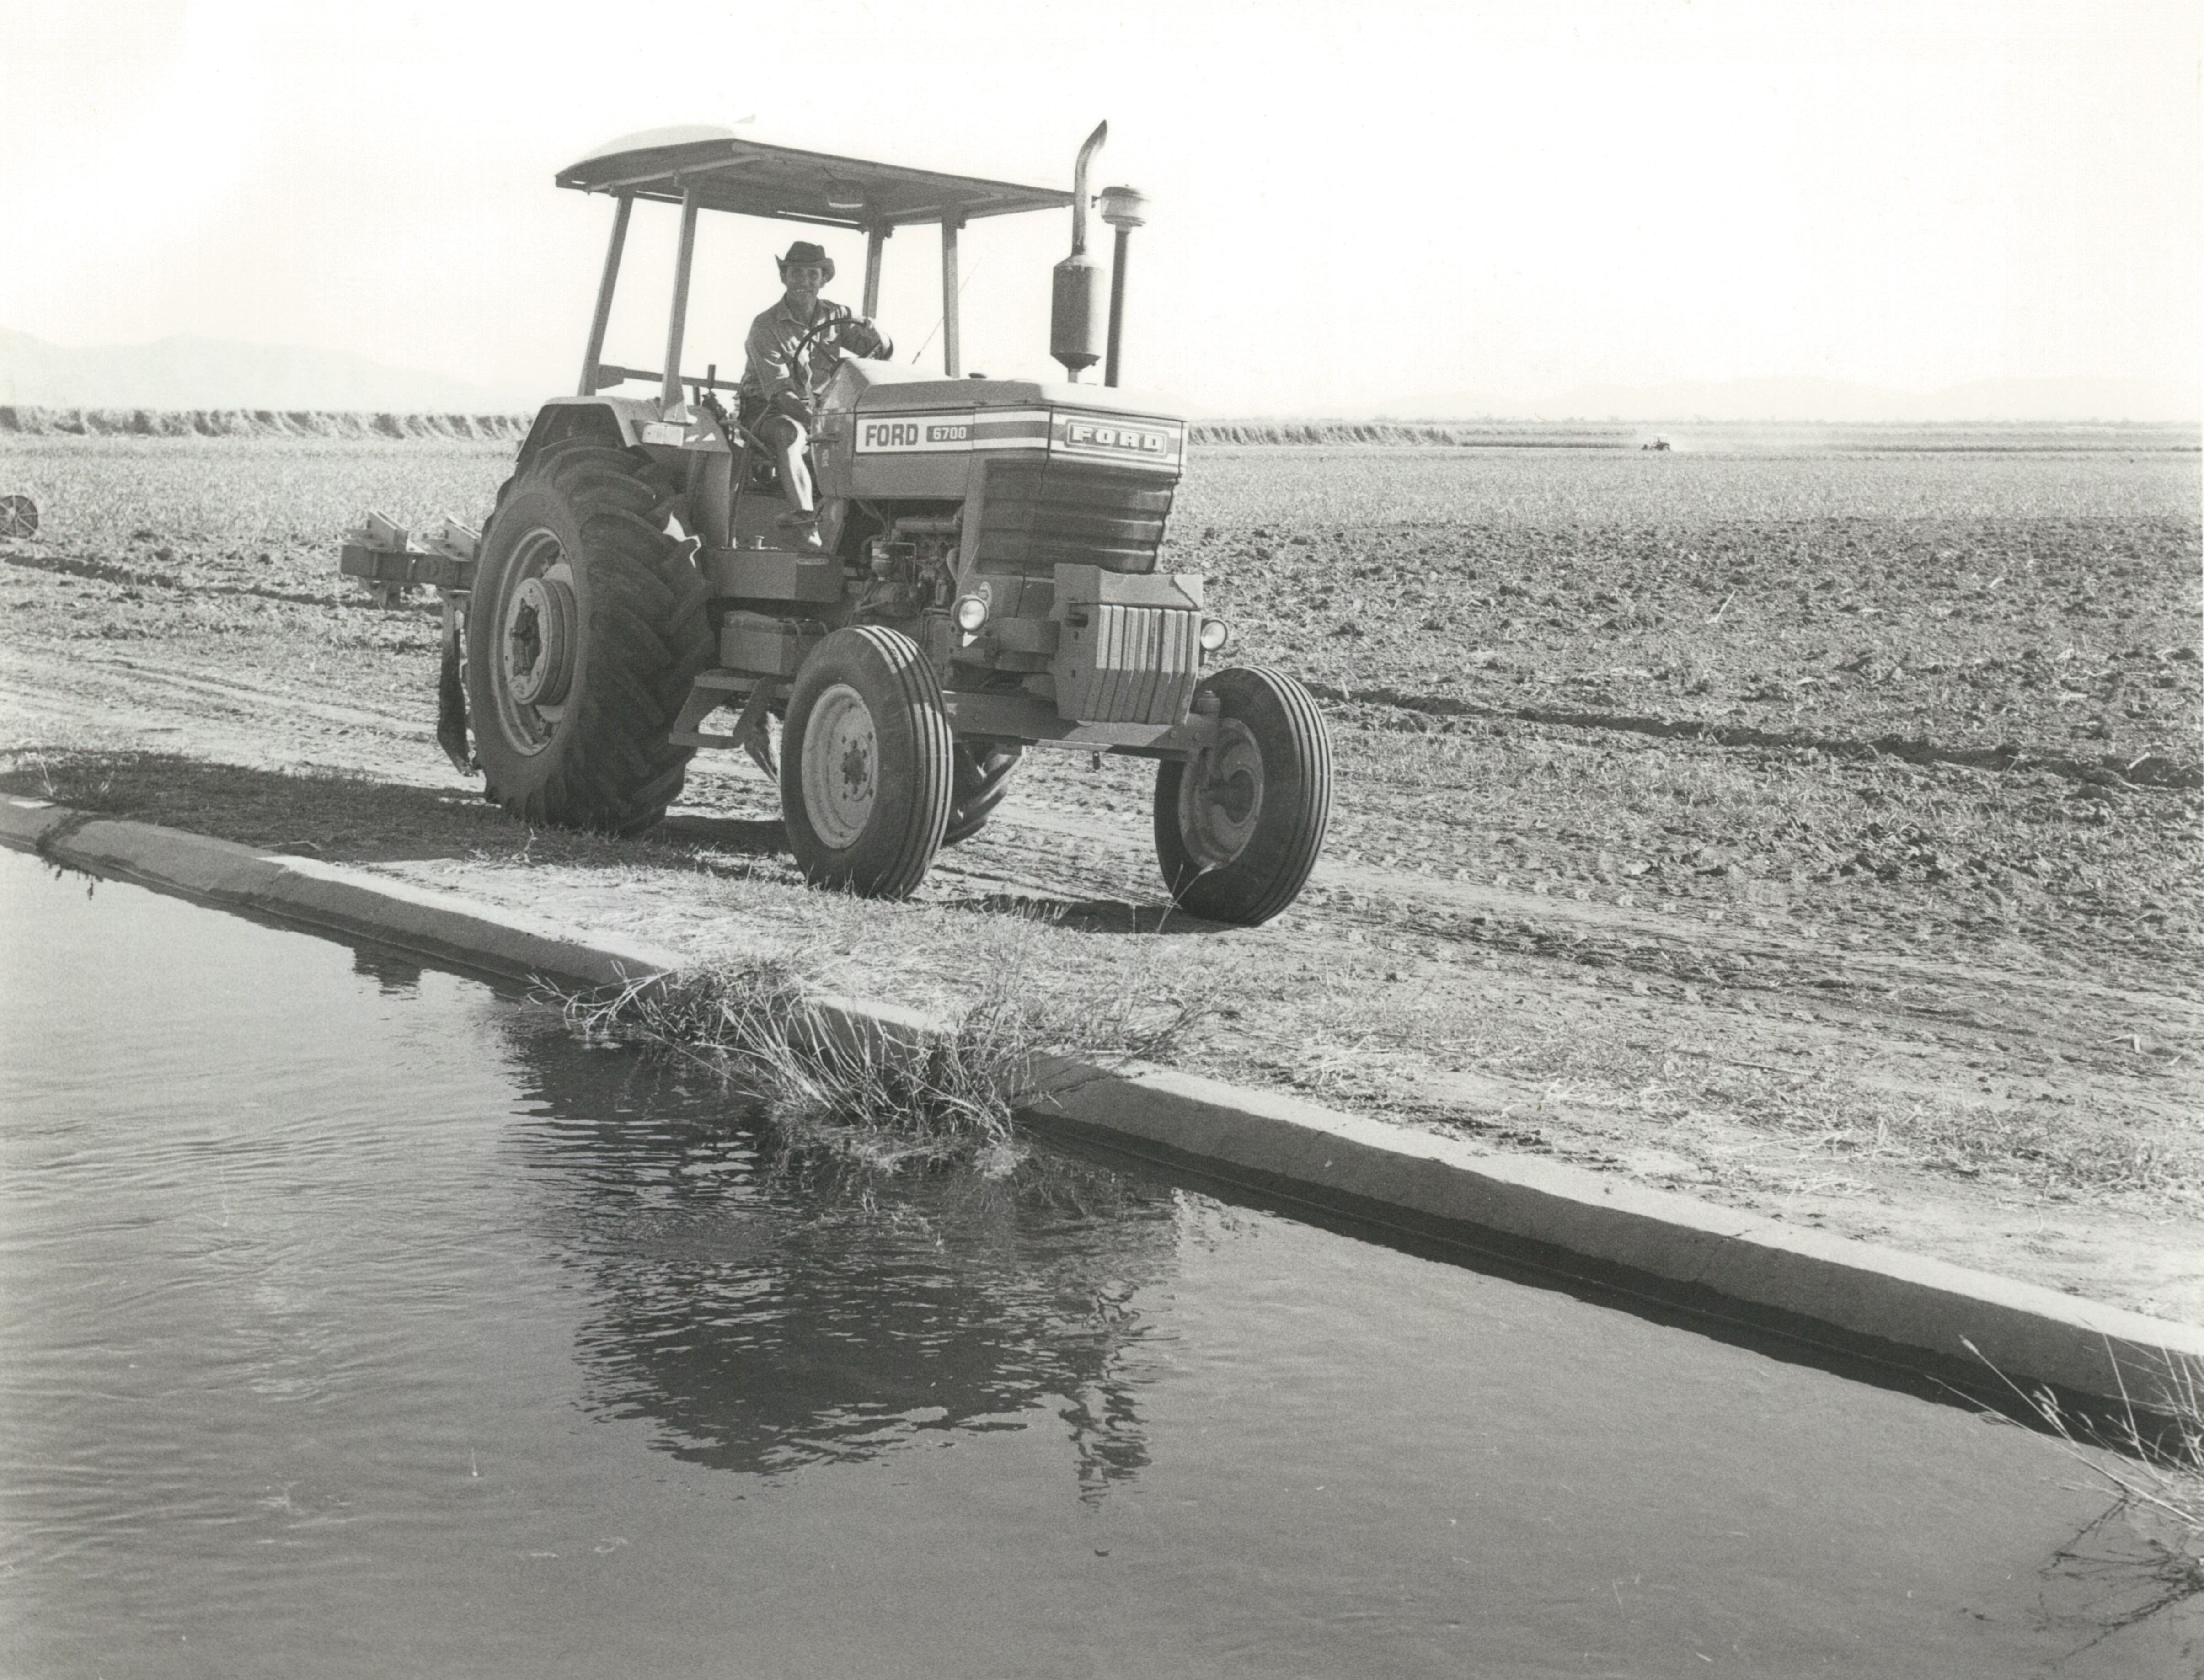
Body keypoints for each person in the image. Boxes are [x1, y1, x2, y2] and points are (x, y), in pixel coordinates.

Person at [739, 240, 891, 552]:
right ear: (784, 277)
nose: (804, 281)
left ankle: (882, 531)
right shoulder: (765, 326)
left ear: (824, 280)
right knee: (789, 434)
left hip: (821, 412)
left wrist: (878, 335)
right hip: (766, 412)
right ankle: (805, 523)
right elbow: (780, 395)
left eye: (813, 274)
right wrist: (821, 425)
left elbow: (877, 354)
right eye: (796, 273)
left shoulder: (837, 316)